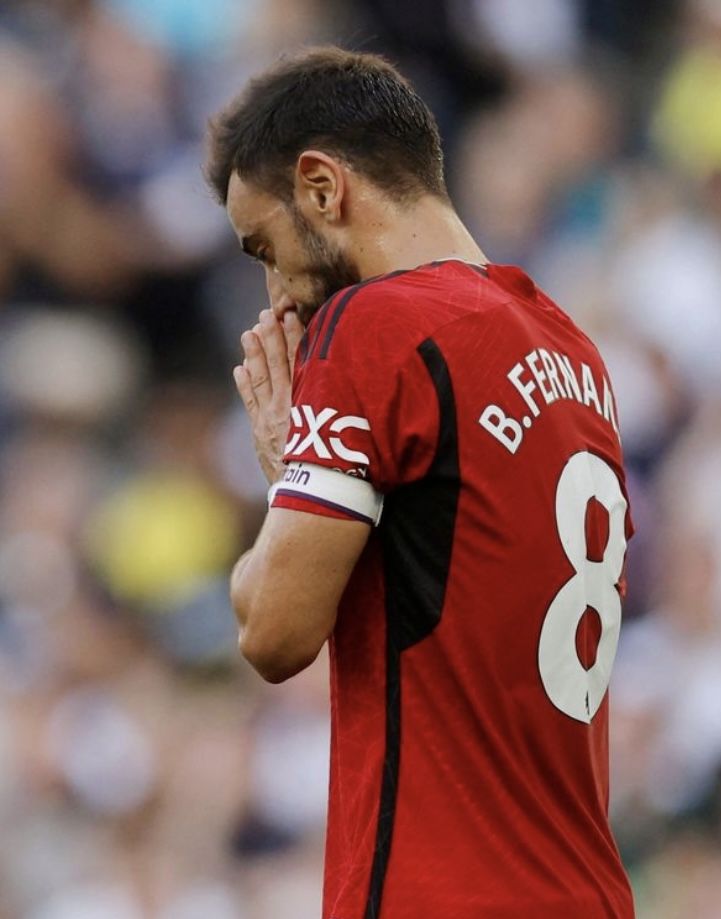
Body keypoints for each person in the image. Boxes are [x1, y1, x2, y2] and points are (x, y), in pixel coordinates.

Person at [205, 47, 635, 919]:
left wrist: (290, 476)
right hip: (585, 888)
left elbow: (272, 631)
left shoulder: (377, 324)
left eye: (265, 244)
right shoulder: (570, 350)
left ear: (322, 187)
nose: (274, 288)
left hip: (439, 891)